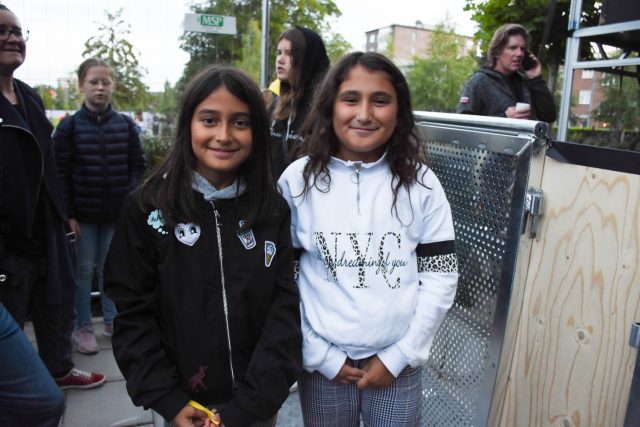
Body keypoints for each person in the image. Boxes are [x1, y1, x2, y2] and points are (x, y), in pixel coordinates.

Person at [104, 65, 302, 427]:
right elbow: (132, 312)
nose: (224, 135)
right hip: (184, 406)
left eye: (240, 122)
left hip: (255, 406)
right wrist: (168, 399)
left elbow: (284, 308)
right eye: (209, 120)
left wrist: (249, 405)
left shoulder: (271, 208)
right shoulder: (147, 208)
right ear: (188, 125)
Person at [278, 51, 459, 426]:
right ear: (330, 106)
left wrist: (399, 356)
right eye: (350, 99)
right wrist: (320, 355)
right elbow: (282, 279)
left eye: (380, 100)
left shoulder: (422, 184)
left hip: (397, 367)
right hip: (323, 367)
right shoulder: (297, 182)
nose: (364, 114)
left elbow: (440, 274)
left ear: (399, 111)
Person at [0, 3, 105, 395]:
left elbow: (51, 163)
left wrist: (63, 215)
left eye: (17, 31)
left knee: (55, 304)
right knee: (9, 321)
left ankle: (59, 369)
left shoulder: (28, 97)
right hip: (9, 241)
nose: (12, 38)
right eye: (2, 31)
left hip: (46, 231)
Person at [53, 58, 146, 354]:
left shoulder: (125, 126)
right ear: (82, 85)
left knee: (112, 270)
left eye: (105, 82)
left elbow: (137, 165)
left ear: (112, 85)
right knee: (82, 273)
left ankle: (111, 320)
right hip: (82, 217)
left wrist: (129, 199)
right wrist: (68, 214)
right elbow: (59, 173)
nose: (100, 88)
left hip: (116, 215)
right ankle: (82, 326)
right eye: (94, 82)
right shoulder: (69, 127)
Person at [457, 23, 557, 122]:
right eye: (513, 48)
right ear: (497, 52)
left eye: (522, 49)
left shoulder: (526, 83)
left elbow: (549, 116)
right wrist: (504, 118)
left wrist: (536, 78)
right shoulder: (480, 81)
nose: (519, 54)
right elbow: (463, 124)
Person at [270, 26, 329, 177]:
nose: (280, 59)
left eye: (289, 53)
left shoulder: (324, 109)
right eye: (279, 52)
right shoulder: (276, 104)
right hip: (273, 190)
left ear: (307, 59)